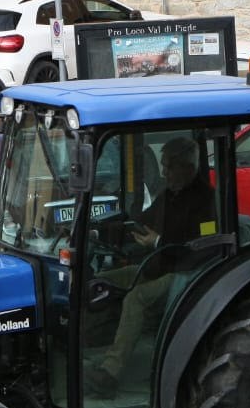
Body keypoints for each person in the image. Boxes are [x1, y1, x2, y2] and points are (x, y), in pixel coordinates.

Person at [90, 137, 216, 386]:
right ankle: (88, 348)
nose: (163, 172)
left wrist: (158, 242)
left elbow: (200, 246)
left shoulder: (206, 201)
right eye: (163, 165)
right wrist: (98, 231)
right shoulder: (169, 195)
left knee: (136, 298)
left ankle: (110, 373)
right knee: (101, 281)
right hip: (159, 266)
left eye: (169, 166)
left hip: (187, 274)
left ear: (186, 168)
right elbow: (142, 220)